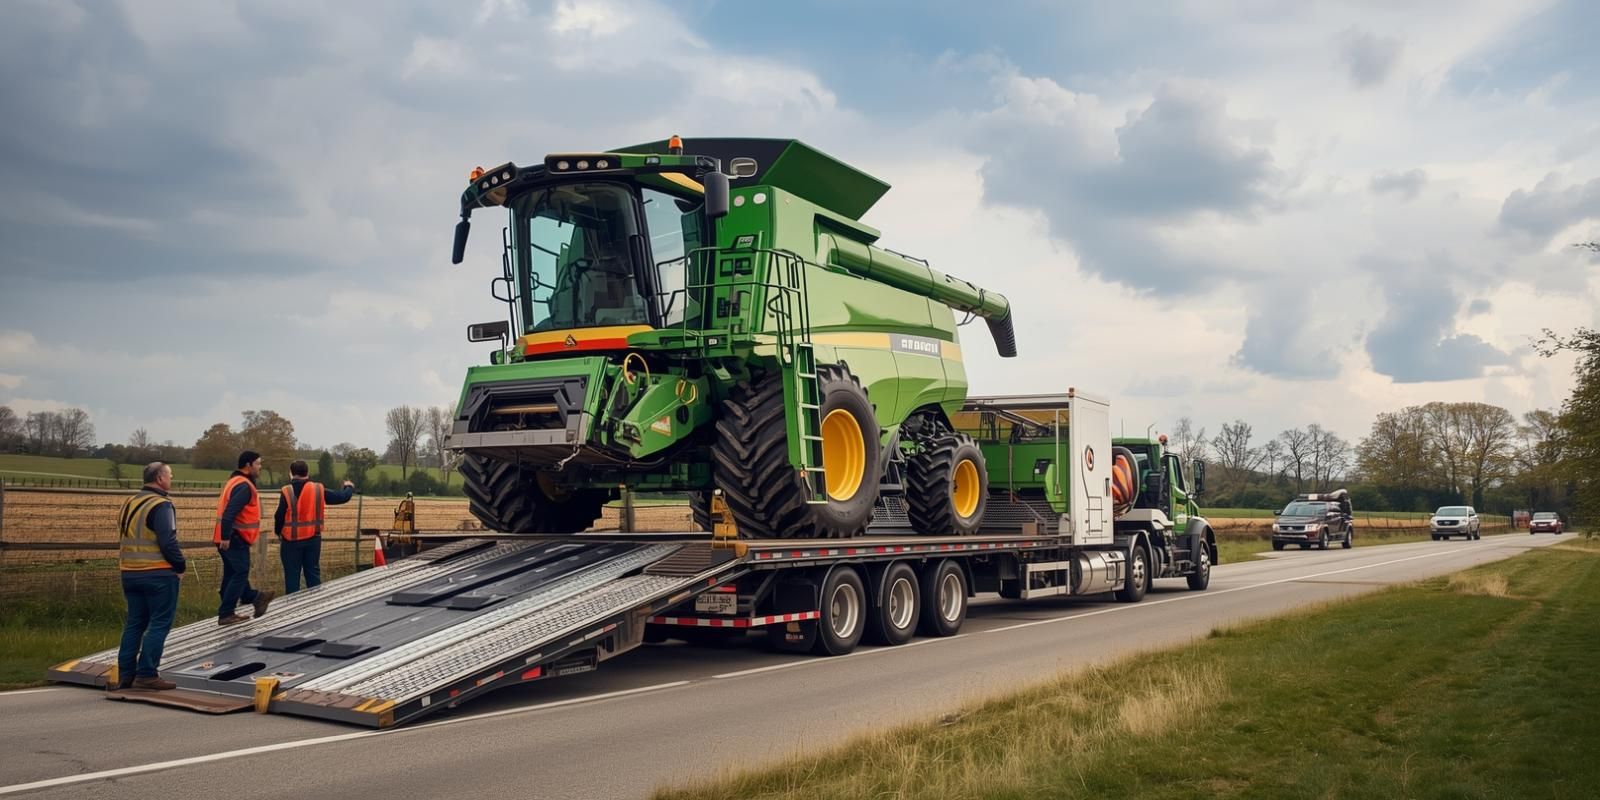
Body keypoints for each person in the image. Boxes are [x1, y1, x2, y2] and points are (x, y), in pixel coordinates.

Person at [115, 462, 187, 691]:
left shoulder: (130, 502)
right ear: (159, 478)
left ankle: (126, 674)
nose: (171, 479)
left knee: (134, 624)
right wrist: (180, 565)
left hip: (129, 572)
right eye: (169, 475)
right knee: (159, 624)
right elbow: (168, 540)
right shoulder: (161, 505)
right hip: (158, 573)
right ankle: (147, 673)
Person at [274, 460, 356, 593]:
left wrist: (278, 532)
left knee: (292, 577)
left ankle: (293, 609)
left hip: (291, 542)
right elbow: (342, 497)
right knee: (312, 575)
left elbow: (279, 515)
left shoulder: (286, 491)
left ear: (291, 473)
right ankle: (317, 606)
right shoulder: (318, 489)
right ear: (307, 473)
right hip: (313, 540)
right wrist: (349, 487)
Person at [215, 450, 276, 625]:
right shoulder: (244, 486)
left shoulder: (234, 481)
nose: (260, 467)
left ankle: (254, 598)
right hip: (234, 537)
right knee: (240, 572)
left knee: (232, 573)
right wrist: (226, 536)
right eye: (258, 463)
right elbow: (230, 513)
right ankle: (227, 612)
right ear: (248, 465)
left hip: (226, 536)